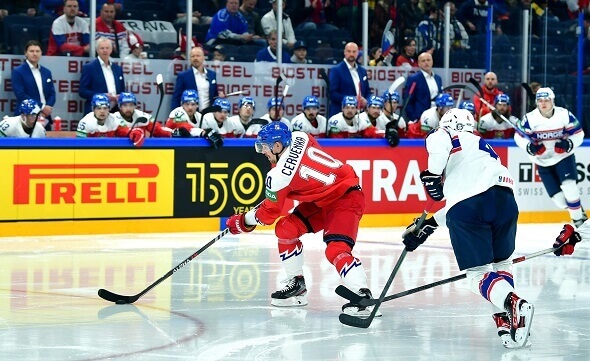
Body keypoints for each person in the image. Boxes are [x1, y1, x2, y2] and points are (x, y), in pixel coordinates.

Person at [403, 108, 533, 349]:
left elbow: (463, 198)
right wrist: (430, 224)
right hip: (505, 201)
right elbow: (472, 193)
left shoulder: (441, 134)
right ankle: (506, 320)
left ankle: (513, 303)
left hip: (469, 206)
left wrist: (431, 175)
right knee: (501, 265)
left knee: (477, 274)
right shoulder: (483, 145)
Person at [225, 121, 380, 317]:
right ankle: (297, 285)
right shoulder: (301, 137)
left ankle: (363, 296)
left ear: (278, 146)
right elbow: (304, 170)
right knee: (286, 229)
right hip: (325, 199)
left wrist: (242, 222)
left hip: (345, 200)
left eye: (264, 146)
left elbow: (268, 214)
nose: (262, 151)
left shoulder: (278, 176)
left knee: (336, 249)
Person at [514, 88, 586, 226]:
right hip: (542, 162)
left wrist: (568, 144)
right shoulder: (530, 118)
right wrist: (530, 147)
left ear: (552, 100)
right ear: (536, 102)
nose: (543, 103)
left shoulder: (564, 114)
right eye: (540, 100)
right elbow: (519, 137)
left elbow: (579, 133)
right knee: (559, 201)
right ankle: (577, 211)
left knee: (569, 187)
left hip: (563, 157)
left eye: (547, 100)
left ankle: (579, 222)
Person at [11, 40, 56, 131]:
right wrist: (42, 107)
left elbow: (52, 93)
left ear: (41, 53)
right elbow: (21, 95)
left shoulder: (46, 72)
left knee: (46, 144)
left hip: (45, 117)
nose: (35, 54)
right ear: (25, 53)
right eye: (31, 51)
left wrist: (47, 109)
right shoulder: (18, 72)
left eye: (37, 51)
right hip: (26, 116)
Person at [76, 93, 145, 148]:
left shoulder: (115, 119)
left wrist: (135, 132)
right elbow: (79, 145)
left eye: (105, 108)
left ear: (109, 109)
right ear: (93, 109)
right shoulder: (85, 122)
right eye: (99, 108)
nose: (102, 111)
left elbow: (126, 131)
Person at [79, 37, 125, 114]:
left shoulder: (118, 69)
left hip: (115, 112)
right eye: (102, 48)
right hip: (96, 112)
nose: (105, 50)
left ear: (111, 50)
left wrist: (119, 97)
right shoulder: (89, 67)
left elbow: (122, 90)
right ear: (97, 50)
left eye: (107, 48)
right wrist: (102, 96)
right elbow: (83, 91)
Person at [171, 46, 223, 111]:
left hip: (208, 115)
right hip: (190, 114)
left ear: (203, 57)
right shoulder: (183, 76)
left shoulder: (212, 75)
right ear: (190, 59)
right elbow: (176, 98)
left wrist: (220, 97)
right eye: (193, 56)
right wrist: (176, 115)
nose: (195, 58)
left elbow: (214, 95)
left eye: (198, 56)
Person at [328, 42, 371, 118]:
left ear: (357, 53)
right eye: (349, 51)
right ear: (344, 52)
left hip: (360, 115)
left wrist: (366, 101)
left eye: (354, 52)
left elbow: (367, 91)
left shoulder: (362, 71)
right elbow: (332, 93)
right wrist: (351, 100)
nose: (351, 54)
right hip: (340, 114)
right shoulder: (336, 70)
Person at [403, 51, 442, 123]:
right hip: (420, 118)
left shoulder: (438, 78)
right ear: (419, 64)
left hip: (437, 117)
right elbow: (408, 101)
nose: (426, 62)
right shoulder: (414, 79)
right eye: (423, 61)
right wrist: (414, 119)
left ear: (432, 62)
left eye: (428, 60)